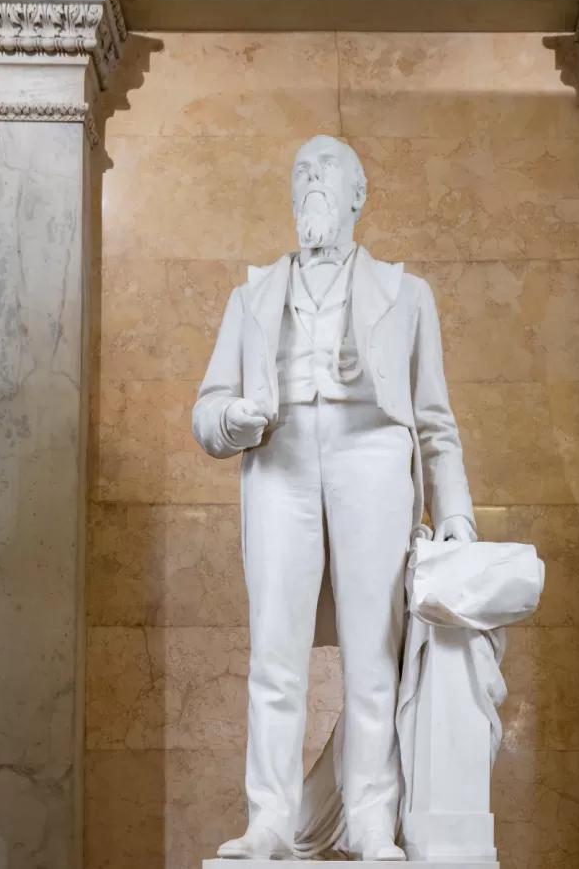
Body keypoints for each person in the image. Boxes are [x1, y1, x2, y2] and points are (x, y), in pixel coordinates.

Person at [192, 135, 475, 861]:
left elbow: (437, 421)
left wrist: (457, 516)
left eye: (327, 172)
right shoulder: (251, 295)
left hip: (372, 459)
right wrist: (232, 419)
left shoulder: (407, 295)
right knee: (274, 655)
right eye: (300, 174)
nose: (311, 181)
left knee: (373, 655)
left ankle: (373, 820)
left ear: (357, 196)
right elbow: (207, 408)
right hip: (280, 460)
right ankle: (271, 822)